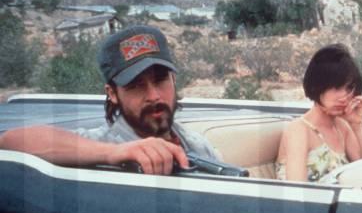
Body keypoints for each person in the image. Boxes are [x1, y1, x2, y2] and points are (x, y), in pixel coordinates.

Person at [0, 25, 220, 175]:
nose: (153, 95)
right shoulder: (101, 144)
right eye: (136, 85)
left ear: (173, 80)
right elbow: (10, 141)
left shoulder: (197, 144)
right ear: (112, 93)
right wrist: (113, 153)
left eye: (160, 80)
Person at [275, 44, 362, 182]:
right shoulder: (299, 130)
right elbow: (296, 189)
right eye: (336, 87)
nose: (343, 96)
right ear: (317, 86)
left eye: (348, 88)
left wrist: (358, 125)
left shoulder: (343, 128)